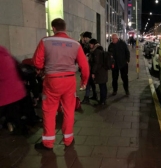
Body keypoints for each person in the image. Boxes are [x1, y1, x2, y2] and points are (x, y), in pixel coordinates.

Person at [33, 18, 89, 150]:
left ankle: (48, 143)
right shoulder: (75, 44)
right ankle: (68, 139)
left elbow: (37, 61)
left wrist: (42, 68)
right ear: (65, 28)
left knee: (49, 111)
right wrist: (84, 81)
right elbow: (84, 66)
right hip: (69, 81)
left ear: (53, 28)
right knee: (69, 110)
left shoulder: (45, 41)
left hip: (51, 81)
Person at [0, 46, 27, 133]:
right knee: (14, 111)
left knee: (9, 111)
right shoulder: (5, 53)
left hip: (5, 91)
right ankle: (21, 129)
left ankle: (15, 126)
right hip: (17, 89)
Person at [89, 39, 108, 105]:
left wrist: (93, 72)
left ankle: (102, 101)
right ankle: (103, 100)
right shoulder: (100, 49)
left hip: (100, 71)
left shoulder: (96, 51)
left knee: (102, 86)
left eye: (91, 44)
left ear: (94, 44)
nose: (90, 45)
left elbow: (96, 63)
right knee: (103, 85)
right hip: (103, 71)